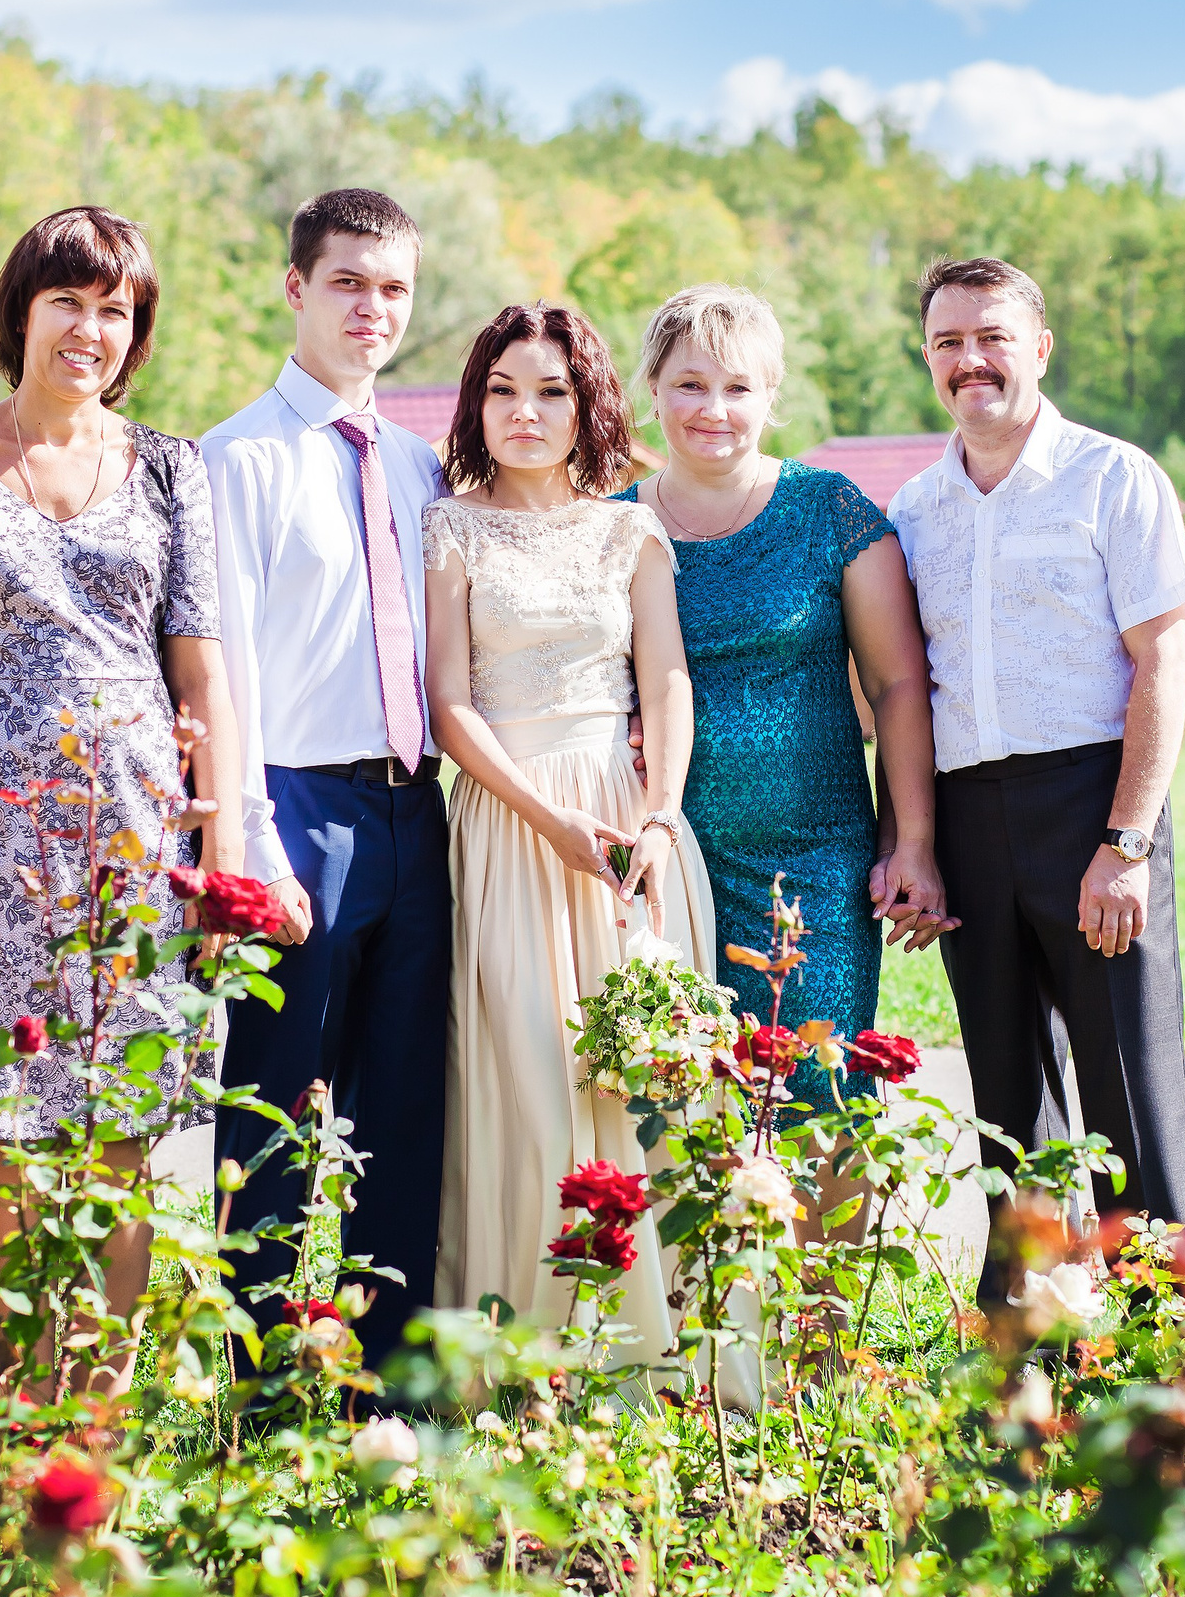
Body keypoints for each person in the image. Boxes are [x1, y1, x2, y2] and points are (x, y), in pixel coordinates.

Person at [0, 206, 237, 1389]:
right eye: (67, 303)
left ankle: (99, 1421)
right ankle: (26, 1411)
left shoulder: (174, 468)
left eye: (115, 310)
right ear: (20, 313)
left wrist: (219, 848)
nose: (89, 330)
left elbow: (200, 672)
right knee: (15, 1130)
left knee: (122, 1134)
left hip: (143, 833)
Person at [884, 256, 1185, 1291]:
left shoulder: (1113, 477)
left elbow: (1164, 659)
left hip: (1093, 811)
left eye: (990, 337)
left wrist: (1125, 845)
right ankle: (1027, 1344)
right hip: (969, 816)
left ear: (1039, 347)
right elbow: (899, 690)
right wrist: (915, 844)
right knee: (1006, 1102)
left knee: (1129, 1099)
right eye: (946, 342)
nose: (968, 360)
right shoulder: (914, 509)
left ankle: (1176, 1350)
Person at [622, 287, 946, 1239]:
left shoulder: (828, 509)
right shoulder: (612, 520)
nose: (711, 409)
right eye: (688, 384)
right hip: (670, 858)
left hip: (817, 858)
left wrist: (912, 839)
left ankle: (821, 1349)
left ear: (771, 396)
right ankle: (714, 1345)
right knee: (684, 1096)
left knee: (823, 1097)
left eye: (736, 386)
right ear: (651, 390)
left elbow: (897, 688)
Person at [425, 303, 711, 1364]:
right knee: (529, 1074)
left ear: (585, 403)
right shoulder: (450, 527)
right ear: (476, 404)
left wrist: (660, 810)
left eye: (548, 391)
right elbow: (448, 704)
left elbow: (666, 677)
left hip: (630, 826)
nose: (524, 413)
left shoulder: (629, 528)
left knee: (640, 1080)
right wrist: (547, 821)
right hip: (509, 823)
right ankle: (534, 1341)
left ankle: (658, 1334)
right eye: (502, 390)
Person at [202, 189, 450, 1370]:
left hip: (417, 809)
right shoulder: (233, 460)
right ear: (295, 287)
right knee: (272, 1111)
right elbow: (223, 674)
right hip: (295, 808)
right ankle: (256, 1383)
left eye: (393, 287)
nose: (371, 307)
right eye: (348, 281)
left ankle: (383, 1384)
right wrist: (250, 842)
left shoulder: (422, 466)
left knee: (401, 1113)